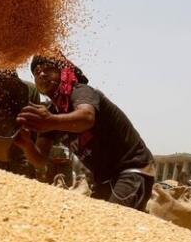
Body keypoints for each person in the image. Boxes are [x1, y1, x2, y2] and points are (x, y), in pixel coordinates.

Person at [14, 53, 155, 211]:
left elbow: (87, 117)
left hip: (131, 169)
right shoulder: (52, 112)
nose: (41, 74)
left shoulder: (81, 92)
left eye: (48, 69)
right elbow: (40, 160)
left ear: (64, 72)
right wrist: (27, 145)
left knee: (112, 223)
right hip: (103, 179)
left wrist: (50, 121)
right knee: (91, 225)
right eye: (36, 72)